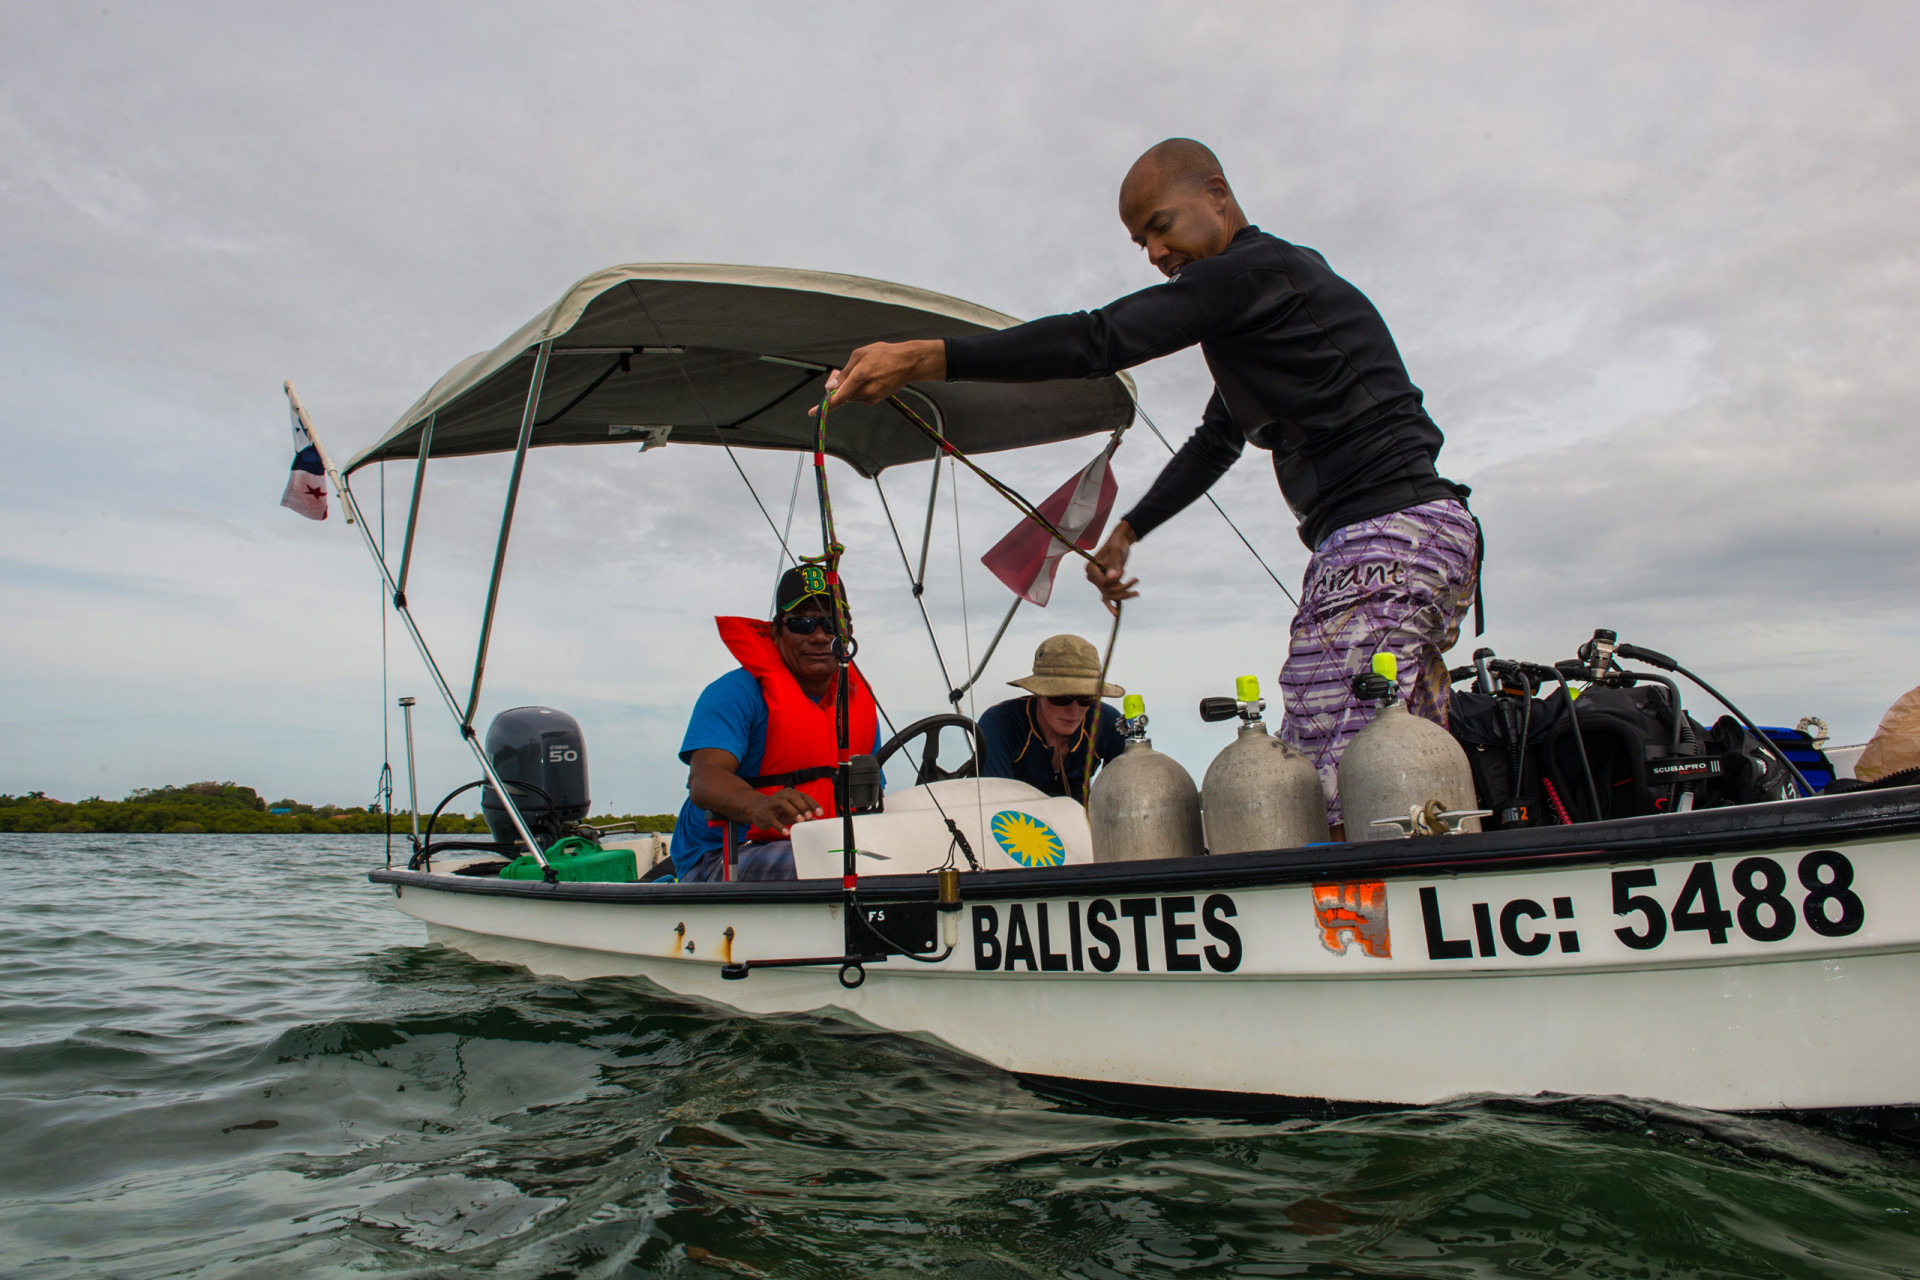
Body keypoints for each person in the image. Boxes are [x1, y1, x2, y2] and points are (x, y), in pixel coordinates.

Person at [819, 138, 1479, 835]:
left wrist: (928, 356)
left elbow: (1098, 339)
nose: (1156, 255)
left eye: (1160, 227)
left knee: (1330, 770)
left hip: (1386, 534)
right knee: (1413, 779)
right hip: (1423, 536)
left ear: (1217, 196)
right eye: (1140, 243)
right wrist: (1127, 533)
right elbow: (1218, 438)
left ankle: (1350, 933)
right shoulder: (1269, 302)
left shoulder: (1251, 271)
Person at [668, 566, 883, 881]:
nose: (820, 636)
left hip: (827, 847)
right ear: (777, 631)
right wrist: (759, 804)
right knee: (832, 865)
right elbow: (705, 778)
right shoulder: (736, 693)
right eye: (803, 623)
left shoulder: (855, 702)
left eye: (832, 623)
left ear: (847, 632)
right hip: (724, 856)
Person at [978, 635, 1128, 802]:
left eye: (1086, 699)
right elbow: (994, 802)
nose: (1074, 710)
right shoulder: (1001, 724)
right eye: (1061, 698)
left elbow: (1128, 790)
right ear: (1038, 693)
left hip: (1080, 821)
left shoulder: (1107, 722)